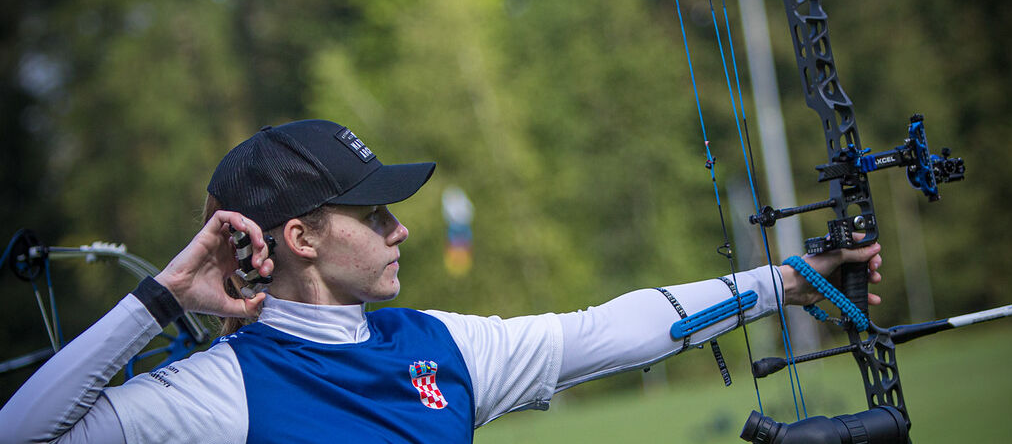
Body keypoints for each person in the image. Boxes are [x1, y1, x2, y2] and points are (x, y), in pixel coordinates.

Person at [0, 119, 882, 443]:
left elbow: (616, 326)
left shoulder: (438, 346)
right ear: (300, 235)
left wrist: (790, 279)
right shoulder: (218, 396)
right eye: (374, 213)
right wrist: (159, 298)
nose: (400, 228)